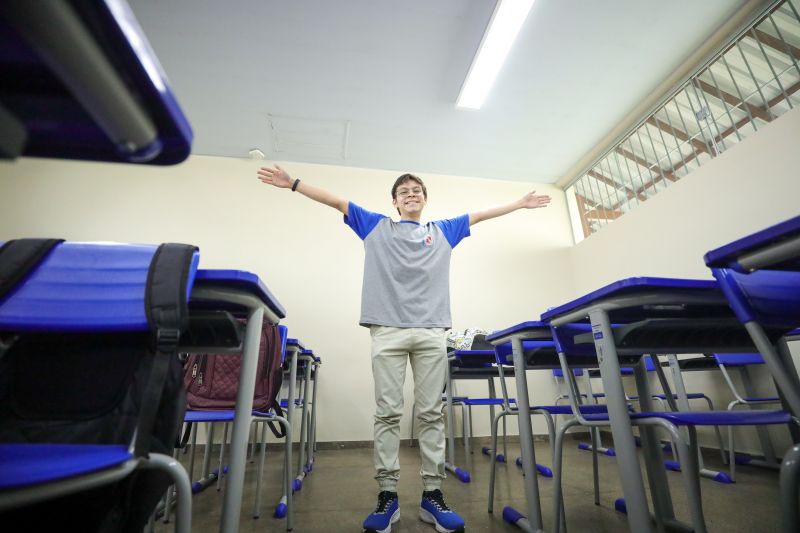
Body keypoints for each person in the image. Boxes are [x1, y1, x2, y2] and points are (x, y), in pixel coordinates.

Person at [257, 164, 551, 533]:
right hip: (387, 331)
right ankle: (387, 494)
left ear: (425, 199)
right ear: (395, 202)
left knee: (430, 413)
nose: (411, 194)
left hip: (431, 332)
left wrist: (520, 203)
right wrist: (294, 184)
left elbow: (481, 214)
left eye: (417, 190)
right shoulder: (376, 226)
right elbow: (336, 201)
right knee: (388, 413)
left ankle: (432, 494)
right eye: (404, 191)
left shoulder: (444, 230)